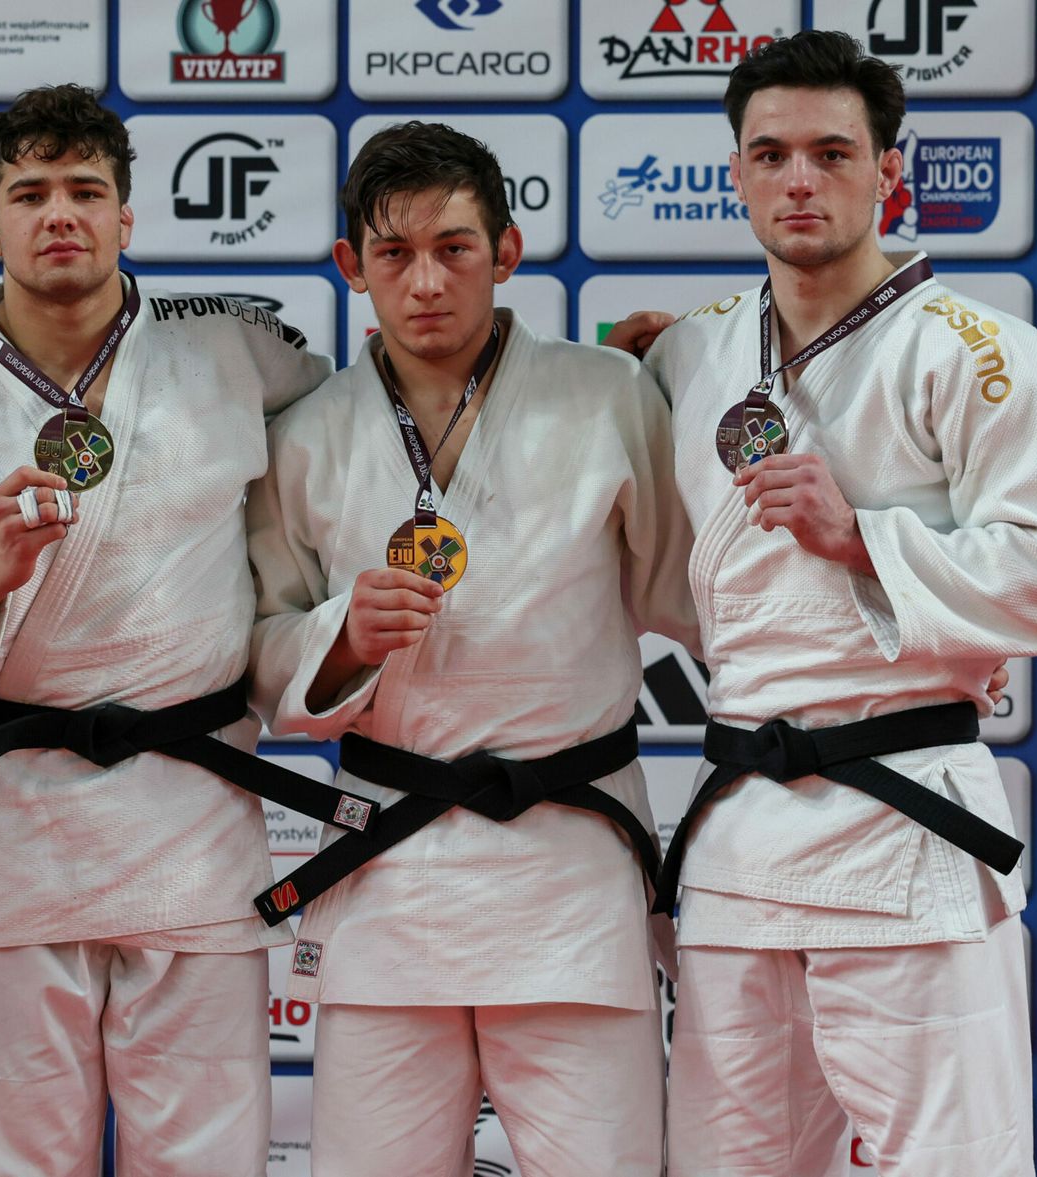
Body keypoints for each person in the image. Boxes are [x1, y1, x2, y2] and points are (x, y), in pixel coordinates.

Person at [606, 31, 1037, 1176]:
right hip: (740, 841)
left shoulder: (985, 354)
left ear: (890, 172)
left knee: (950, 1160)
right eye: (770, 153)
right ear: (733, 173)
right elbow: (698, 582)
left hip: (907, 833)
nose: (798, 179)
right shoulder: (695, 355)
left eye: (833, 153)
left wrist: (865, 544)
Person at [0, 85, 334, 1176]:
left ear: (127, 216)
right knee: (11, 1158)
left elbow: (372, 440)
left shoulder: (238, 352)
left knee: (208, 1158)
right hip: (20, 827)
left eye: (86, 191)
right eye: (32, 193)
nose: (61, 214)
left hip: (196, 819)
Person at [245, 122, 695, 1176]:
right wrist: (340, 639)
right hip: (392, 873)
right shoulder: (305, 435)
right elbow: (262, 655)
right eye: (394, 254)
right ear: (352, 266)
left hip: (571, 870)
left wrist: (904, 647)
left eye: (455, 247)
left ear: (508, 250)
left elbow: (697, 593)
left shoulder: (608, 398)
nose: (427, 282)